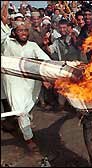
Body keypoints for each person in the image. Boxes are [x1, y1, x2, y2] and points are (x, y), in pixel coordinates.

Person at [1, 17, 51, 152]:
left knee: (27, 108)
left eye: (25, 30)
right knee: (21, 111)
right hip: (13, 83)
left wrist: (48, 76)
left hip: (31, 84)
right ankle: (28, 139)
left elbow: (45, 60)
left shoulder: (33, 46)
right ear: (14, 33)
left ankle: (24, 125)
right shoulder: (7, 43)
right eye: (19, 30)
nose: (23, 33)